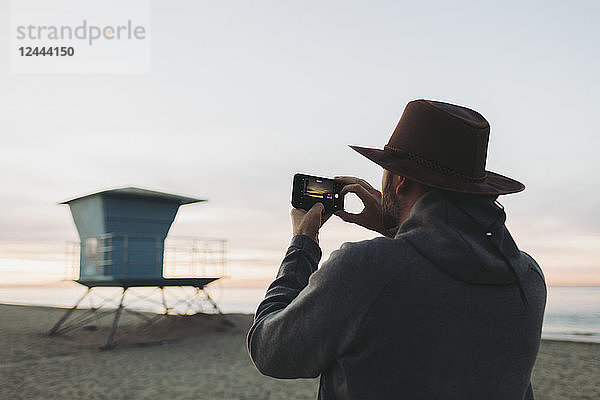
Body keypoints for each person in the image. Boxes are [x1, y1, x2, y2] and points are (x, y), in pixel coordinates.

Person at [247, 99, 547, 399]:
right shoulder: (527, 277)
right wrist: (397, 229)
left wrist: (302, 244)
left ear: (400, 181)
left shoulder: (366, 268)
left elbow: (269, 350)